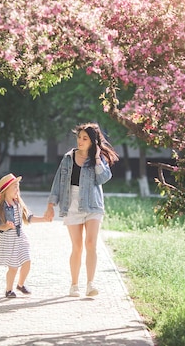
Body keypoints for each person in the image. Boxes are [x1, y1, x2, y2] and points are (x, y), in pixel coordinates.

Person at [44, 123, 119, 297]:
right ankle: (74, 285)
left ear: (93, 141)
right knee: (77, 246)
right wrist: (50, 205)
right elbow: (58, 182)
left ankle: (90, 284)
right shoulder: (68, 158)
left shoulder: (97, 160)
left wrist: (98, 158)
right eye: (79, 137)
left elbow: (104, 178)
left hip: (93, 205)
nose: (80, 141)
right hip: (72, 205)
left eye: (85, 138)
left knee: (91, 244)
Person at [0, 173, 49, 298]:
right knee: (13, 267)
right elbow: (0, 226)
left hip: (20, 237)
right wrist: (7, 226)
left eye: (18, 186)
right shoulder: (1, 207)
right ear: (5, 190)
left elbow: (28, 218)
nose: (17, 189)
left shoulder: (18, 203)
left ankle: (20, 284)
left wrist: (44, 219)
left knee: (27, 261)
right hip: (8, 240)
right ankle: (9, 290)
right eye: (14, 186)